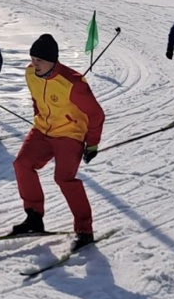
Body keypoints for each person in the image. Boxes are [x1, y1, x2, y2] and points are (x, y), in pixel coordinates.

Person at [11, 34, 105, 251]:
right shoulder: (30, 74)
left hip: (69, 134)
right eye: (33, 59)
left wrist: (92, 143)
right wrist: (40, 118)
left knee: (64, 178)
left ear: (53, 61)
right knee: (22, 165)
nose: (34, 64)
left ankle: (84, 230)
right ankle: (34, 217)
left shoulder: (72, 82)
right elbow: (36, 100)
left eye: (39, 61)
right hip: (43, 129)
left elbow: (96, 114)